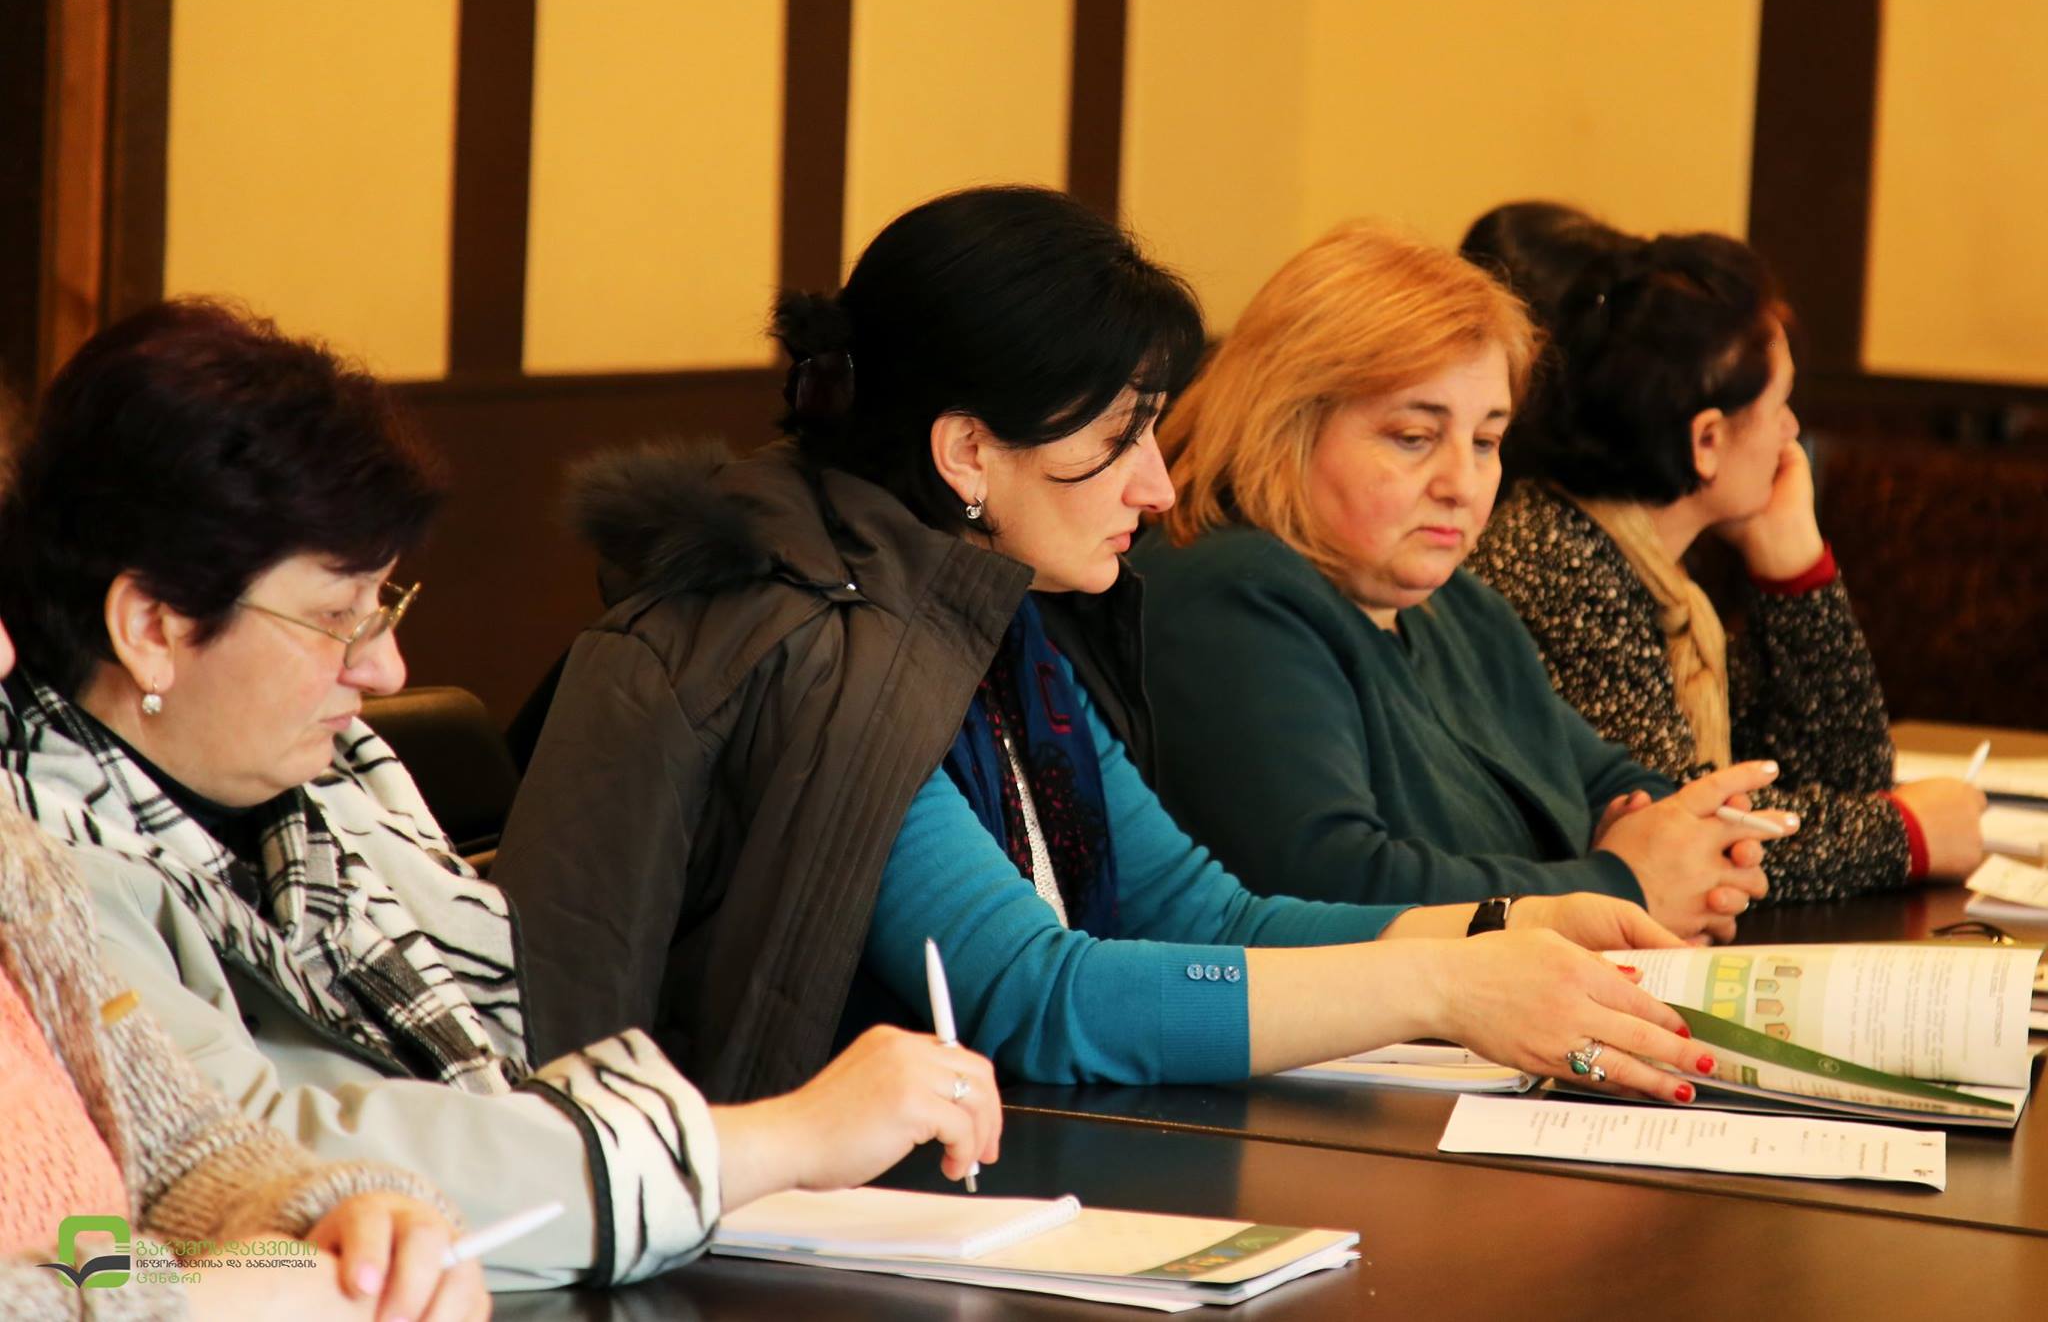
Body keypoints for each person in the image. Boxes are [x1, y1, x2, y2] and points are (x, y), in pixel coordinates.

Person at [496, 185, 1728, 1110]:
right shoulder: (819, 643)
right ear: (967, 452)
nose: (1156, 483)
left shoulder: (984, 614)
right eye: (1116, 437)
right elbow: (1034, 994)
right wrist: (1443, 986)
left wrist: (1509, 927)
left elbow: (1202, 915)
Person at [0, 300, 1002, 1294]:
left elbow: (489, 1075)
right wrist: (778, 1139)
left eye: (384, 604)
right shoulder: (43, 857)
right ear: (155, 627)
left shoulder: (332, 785)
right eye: (336, 616)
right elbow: (267, 1154)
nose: (385, 668)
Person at [1134, 221, 1785, 940]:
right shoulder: (1229, 594)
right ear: (1284, 428)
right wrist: (1627, 887)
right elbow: (1333, 884)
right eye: (1414, 438)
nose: (1462, 484)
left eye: (1485, 441)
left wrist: (1689, 848)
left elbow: (1611, 782)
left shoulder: (1458, 607)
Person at [1461, 213, 1985, 896]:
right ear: (1706, 441)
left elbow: (1843, 775)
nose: (1791, 431)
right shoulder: (1559, 566)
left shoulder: (1659, 574)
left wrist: (1792, 565)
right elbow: (1682, 841)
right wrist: (1906, 832)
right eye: (1780, 405)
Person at [0, 610, 489, 1322]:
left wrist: (332, 1218)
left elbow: (169, 1166)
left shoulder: (13, 861)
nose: (3, 652)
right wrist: (192, 1303)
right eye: (335, 614)